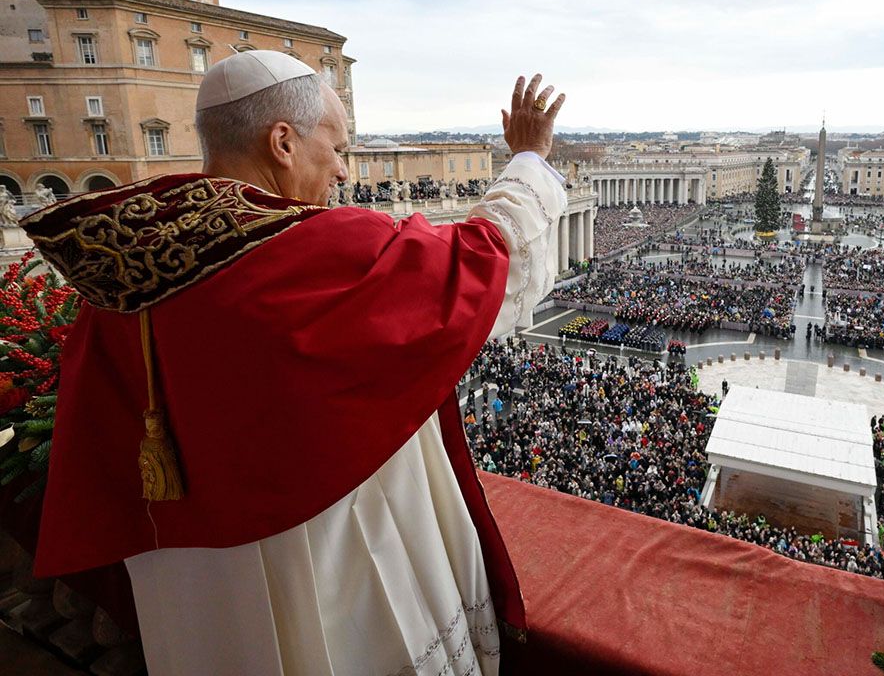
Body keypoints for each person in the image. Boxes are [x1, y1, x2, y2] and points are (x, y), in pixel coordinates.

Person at [21, 52, 569, 676]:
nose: (341, 170)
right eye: (335, 147)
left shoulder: (123, 277)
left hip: (194, 584)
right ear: (282, 141)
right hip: (333, 557)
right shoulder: (316, 250)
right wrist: (528, 158)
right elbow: (488, 261)